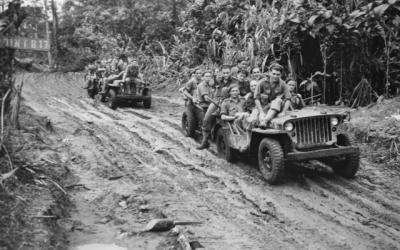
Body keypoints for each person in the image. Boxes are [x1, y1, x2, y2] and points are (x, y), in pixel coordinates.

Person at [196, 70, 218, 150]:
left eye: (209, 76)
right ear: (203, 77)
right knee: (206, 122)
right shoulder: (202, 85)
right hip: (204, 105)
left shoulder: (211, 85)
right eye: (206, 76)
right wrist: (216, 102)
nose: (208, 78)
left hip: (211, 105)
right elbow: (206, 98)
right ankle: (204, 142)